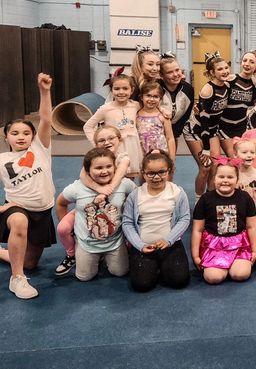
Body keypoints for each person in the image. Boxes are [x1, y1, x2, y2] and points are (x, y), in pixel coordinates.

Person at [0, 73, 56, 299]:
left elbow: (46, 120)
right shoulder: (2, 160)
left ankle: (6, 255)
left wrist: (44, 91)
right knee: (19, 221)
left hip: (42, 212)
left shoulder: (40, 149)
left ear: (33, 136)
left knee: (31, 262)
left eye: (26, 133)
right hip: (18, 209)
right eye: (14, 133)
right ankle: (17, 279)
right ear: (6, 138)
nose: (20, 137)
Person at [54, 126, 130, 276]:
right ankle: (72, 253)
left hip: (114, 204)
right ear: (95, 144)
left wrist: (109, 189)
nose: (106, 142)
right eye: (101, 140)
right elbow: (83, 175)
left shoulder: (123, 158)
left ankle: (122, 248)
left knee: (121, 271)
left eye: (111, 138)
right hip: (88, 207)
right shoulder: (91, 159)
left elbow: (120, 173)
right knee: (63, 228)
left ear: (119, 140)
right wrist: (99, 189)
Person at [122, 151, 190, 292]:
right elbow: (127, 223)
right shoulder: (135, 195)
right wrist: (139, 245)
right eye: (151, 173)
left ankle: (163, 267)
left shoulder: (177, 192)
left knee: (179, 280)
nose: (156, 177)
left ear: (169, 171)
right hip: (144, 246)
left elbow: (184, 218)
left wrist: (169, 239)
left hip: (170, 244)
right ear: (143, 173)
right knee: (142, 285)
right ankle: (155, 267)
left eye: (161, 172)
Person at [191, 158, 256, 284]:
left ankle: (234, 266)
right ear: (214, 178)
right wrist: (195, 255)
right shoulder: (206, 199)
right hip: (214, 246)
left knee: (241, 274)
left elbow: (251, 227)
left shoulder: (245, 198)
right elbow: (197, 230)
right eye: (221, 177)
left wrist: (255, 250)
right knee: (213, 278)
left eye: (230, 177)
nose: (225, 180)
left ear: (237, 180)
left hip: (239, 245)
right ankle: (219, 268)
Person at [185, 52, 230, 196]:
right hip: (197, 130)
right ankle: (199, 200)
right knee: (205, 167)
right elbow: (204, 121)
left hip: (212, 130)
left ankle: (210, 198)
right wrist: (205, 148)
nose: (224, 71)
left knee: (215, 166)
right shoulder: (207, 90)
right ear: (212, 72)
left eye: (226, 68)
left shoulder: (227, 86)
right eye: (220, 69)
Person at [83, 74, 144, 176]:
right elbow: (88, 126)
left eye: (125, 88)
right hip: (115, 148)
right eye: (117, 89)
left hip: (132, 147)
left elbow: (150, 110)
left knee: (130, 176)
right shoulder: (106, 108)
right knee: (114, 175)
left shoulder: (136, 105)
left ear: (132, 90)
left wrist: (163, 111)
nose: (121, 92)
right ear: (111, 90)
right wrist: (98, 145)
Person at [219, 50, 256, 156]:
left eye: (251, 62)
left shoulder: (255, 86)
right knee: (235, 158)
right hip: (224, 127)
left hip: (241, 127)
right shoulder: (230, 80)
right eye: (245, 60)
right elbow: (214, 91)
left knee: (242, 159)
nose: (247, 64)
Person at [136, 81, 177, 161]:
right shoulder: (136, 115)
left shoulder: (163, 116)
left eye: (155, 96)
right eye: (148, 95)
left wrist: (172, 158)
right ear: (141, 97)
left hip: (161, 153)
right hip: (142, 154)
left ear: (160, 99)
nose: (151, 99)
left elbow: (170, 138)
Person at [159, 52, 195, 142]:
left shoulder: (188, 89)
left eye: (177, 70)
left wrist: (175, 133)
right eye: (169, 72)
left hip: (174, 132)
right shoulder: (156, 88)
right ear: (161, 75)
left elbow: (186, 114)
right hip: (155, 132)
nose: (175, 74)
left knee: (171, 156)